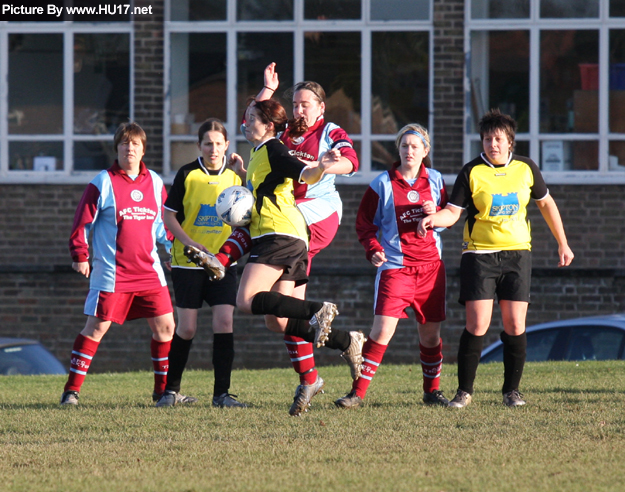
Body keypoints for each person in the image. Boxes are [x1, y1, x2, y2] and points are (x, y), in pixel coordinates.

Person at [208, 63, 366, 395]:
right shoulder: (278, 136)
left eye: (305, 104)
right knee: (277, 316)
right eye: (294, 104)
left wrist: (323, 166)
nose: (298, 110)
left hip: (314, 214)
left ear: (321, 107)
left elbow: (351, 161)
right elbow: (252, 122)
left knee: (256, 225)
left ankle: (222, 259)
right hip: (284, 217)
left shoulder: (328, 131)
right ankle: (319, 367)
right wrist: (266, 89)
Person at [418, 109, 574, 408]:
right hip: (478, 255)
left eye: (498, 138)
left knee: (515, 325)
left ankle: (511, 391)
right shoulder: (471, 171)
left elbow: (546, 205)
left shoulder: (527, 168)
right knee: (477, 324)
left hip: (517, 255)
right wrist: (433, 219)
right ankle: (464, 392)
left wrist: (562, 244)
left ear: (510, 142)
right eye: (488, 139)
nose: (493, 144)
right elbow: (453, 212)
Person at [61, 122, 182, 406]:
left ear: (143, 150)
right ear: (117, 148)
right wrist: (80, 254)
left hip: (150, 272)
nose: (130, 148)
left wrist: (173, 252)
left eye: (135, 144)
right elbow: (82, 222)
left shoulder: (154, 182)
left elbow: (162, 226)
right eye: (125, 144)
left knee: (166, 327)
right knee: (96, 328)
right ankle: (71, 391)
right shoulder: (102, 182)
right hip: (113, 274)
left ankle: (163, 393)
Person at [234, 98, 343, 416]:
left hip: (278, 233)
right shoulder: (258, 154)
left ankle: (318, 310)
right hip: (289, 235)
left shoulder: (273, 148)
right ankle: (341, 345)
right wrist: (243, 177)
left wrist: (321, 166)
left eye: (252, 117)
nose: (245, 122)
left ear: (267, 125)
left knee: (246, 300)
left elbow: (305, 173)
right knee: (277, 321)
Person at [334, 124, 450, 409]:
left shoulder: (435, 180)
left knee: (431, 334)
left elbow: (450, 216)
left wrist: (435, 215)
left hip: (431, 269)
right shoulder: (382, 183)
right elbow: (364, 225)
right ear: (398, 150)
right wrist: (373, 249)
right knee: (382, 331)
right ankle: (357, 394)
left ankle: (431, 392)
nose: (409, 150)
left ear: (425, 150)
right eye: (404, 146)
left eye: (414, 146)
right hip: (395, 269)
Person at [157, 119, 247, 408]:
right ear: (199, 145)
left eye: (218, 143)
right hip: (188, 264)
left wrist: (244, 173)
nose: (213, 148)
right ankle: (170, 392)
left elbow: (248, 215)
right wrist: (188, 242)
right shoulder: (187, 174)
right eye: (207, 143)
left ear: (226, 146)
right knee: (187, 329)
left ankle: (222, 394)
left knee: (224, 321)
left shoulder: (235, 179)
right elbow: (168, 215)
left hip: (222, 264)